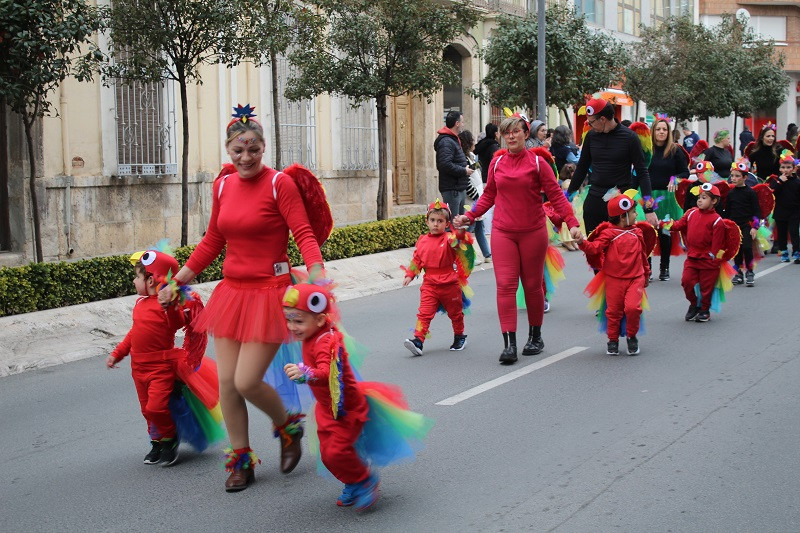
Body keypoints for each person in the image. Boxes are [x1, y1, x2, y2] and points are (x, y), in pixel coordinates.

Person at [167, 104, 328, 492]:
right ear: (228, 150)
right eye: (238, 150)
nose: (246, 157)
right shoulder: (222, 185)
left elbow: (304, 234)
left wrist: (318, 278)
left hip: (271, 295)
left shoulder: (279, 184)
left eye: (253, 149)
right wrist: (180, 280)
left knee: (246, 380)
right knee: (227, 384)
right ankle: (241, 461)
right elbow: (212, 241)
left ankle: (289, 427)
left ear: (263, 147)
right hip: (232, 294)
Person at [282, 282, 432, 511]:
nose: (292, 326)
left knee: (337, 451)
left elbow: (327, 373)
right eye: (289, 320)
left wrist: (305, 373)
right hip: (327, 407)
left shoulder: (326, 341)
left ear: (320, 320)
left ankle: (364, 480)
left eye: (298, 321)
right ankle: (352, 480)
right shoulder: (313, 335)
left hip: (346, 408)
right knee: (327, 455)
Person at [453, 115, 581, 365]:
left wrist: (573, 223)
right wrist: (470, 215)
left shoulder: (538, 162)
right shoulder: (497, 162)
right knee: (505, 285)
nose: (511, 136)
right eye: (506, 132)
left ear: (525, 134)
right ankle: (509, 344)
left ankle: (535, 336)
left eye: (516, 132)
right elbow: (489, 194)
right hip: (503, 232)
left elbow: (556, 195)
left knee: (533, 286)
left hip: (533, 231)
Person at [108, 248, 221, 467]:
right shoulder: (139, 304)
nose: (133, 281)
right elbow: (134, 333)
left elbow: (177, 322)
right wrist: (117, 353)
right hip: (138, 368)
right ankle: (156, 442)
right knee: (146, 410)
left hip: (161, 367)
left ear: (151, 280)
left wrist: (169, 305)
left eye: (137, 277)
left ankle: (169, 440)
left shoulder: (169, 307)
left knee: (156, 407)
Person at [567, 98, 658, 235]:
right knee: (595, 250)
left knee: (624, 251)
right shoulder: (591, 137)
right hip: (595, 200)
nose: (590, 126)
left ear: (602, 119)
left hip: (621, 201)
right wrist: (567, 197)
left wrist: (649, 209)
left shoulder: (630, 137)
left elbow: (642, 172)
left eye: (591, 122)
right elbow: (582, 168)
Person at [576, 194, 651, 356]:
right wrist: (582, 242)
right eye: (633, 212)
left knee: (632, 308)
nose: (637, 214)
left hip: (635, 278)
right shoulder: (609, 234)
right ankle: (613, 340)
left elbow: (643, 255)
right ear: (623, 216)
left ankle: (632, 336)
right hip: (614, 279)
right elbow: (594, 248)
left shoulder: (637, 232)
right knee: (613, 311)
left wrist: (646, 273)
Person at [402, 200, 473, 356]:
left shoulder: (449, 239)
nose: (435, 224)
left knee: (455, 314)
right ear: (427, 221)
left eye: (440, 221)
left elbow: (459, 240)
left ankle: (460, 336)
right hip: (430, 284)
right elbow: (417, 260)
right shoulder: (422, 241)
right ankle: (418, 341)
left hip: (450, 284)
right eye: (432, 220)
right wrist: (410, 274)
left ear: (446, 223)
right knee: (424, 313)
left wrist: (460, 229)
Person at [664, 183, 731, 323]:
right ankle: (694, 304)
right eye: (699, 197)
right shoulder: (691, 213)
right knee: (686, 282)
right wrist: (667, 223)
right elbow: (678, 225)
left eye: (704, 197)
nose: (699, 200)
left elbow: (717, 244)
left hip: (708, 261)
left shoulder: (717, 221)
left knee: (706, 288)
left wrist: (714, 257)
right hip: (692, 257)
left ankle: (705, 310)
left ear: (714, 201)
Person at [648, 118, 689, 281]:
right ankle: (647, 268)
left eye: (664, 129)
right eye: (658, 129)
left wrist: (675, 178)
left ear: (669, 132)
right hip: (648, 196)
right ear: (653, 131)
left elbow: (684, 172)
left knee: (665, 232)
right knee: (648, 232)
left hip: (667, 198)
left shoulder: (675, 150)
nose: (661, 132)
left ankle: (664, 267)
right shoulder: (646, 150)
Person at [724, 158, 761, 285]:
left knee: (746, 247)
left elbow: (757, 211)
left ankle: (750, 271)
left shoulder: (751, 193)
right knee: (737, 249)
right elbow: (727, 212)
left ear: (745, 177)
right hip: (734, 225)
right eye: (732, 175)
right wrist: (726, 225)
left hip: (747, 225)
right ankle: (738, 272)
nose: (733, 178)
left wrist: (755, 227)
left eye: (737, 176)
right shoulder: (731, 194)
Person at [460, 129, 491, 261]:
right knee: (469, 227)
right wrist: (476, 196)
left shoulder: (470, 157)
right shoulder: (464, 159)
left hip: (478, 197)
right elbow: (467, 181)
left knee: (479, 227)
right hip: (472, 199)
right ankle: (466, 256)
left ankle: (487, 254)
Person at [435, 110, 474, 216]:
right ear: (457, 123)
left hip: (458, 188)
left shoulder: (453, 140)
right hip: (452, 190)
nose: (463, 125)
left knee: (458, 225)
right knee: (452, 225)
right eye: (462, 122)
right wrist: (463, 170)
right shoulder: (446, 141)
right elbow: (444, 164)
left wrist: (464, 168)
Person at [768, 150, 800, 263]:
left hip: (794, 211)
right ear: (780, 168)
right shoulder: (776, 181)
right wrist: (780, 182)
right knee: (781, 233)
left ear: (794, 168)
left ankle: (797, 252)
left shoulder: (797, 182)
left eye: (788, 167)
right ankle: (783, 251)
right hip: (780, 211)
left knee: (794, 232)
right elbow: (772, 192)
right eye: (783, 167)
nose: (785, 170)